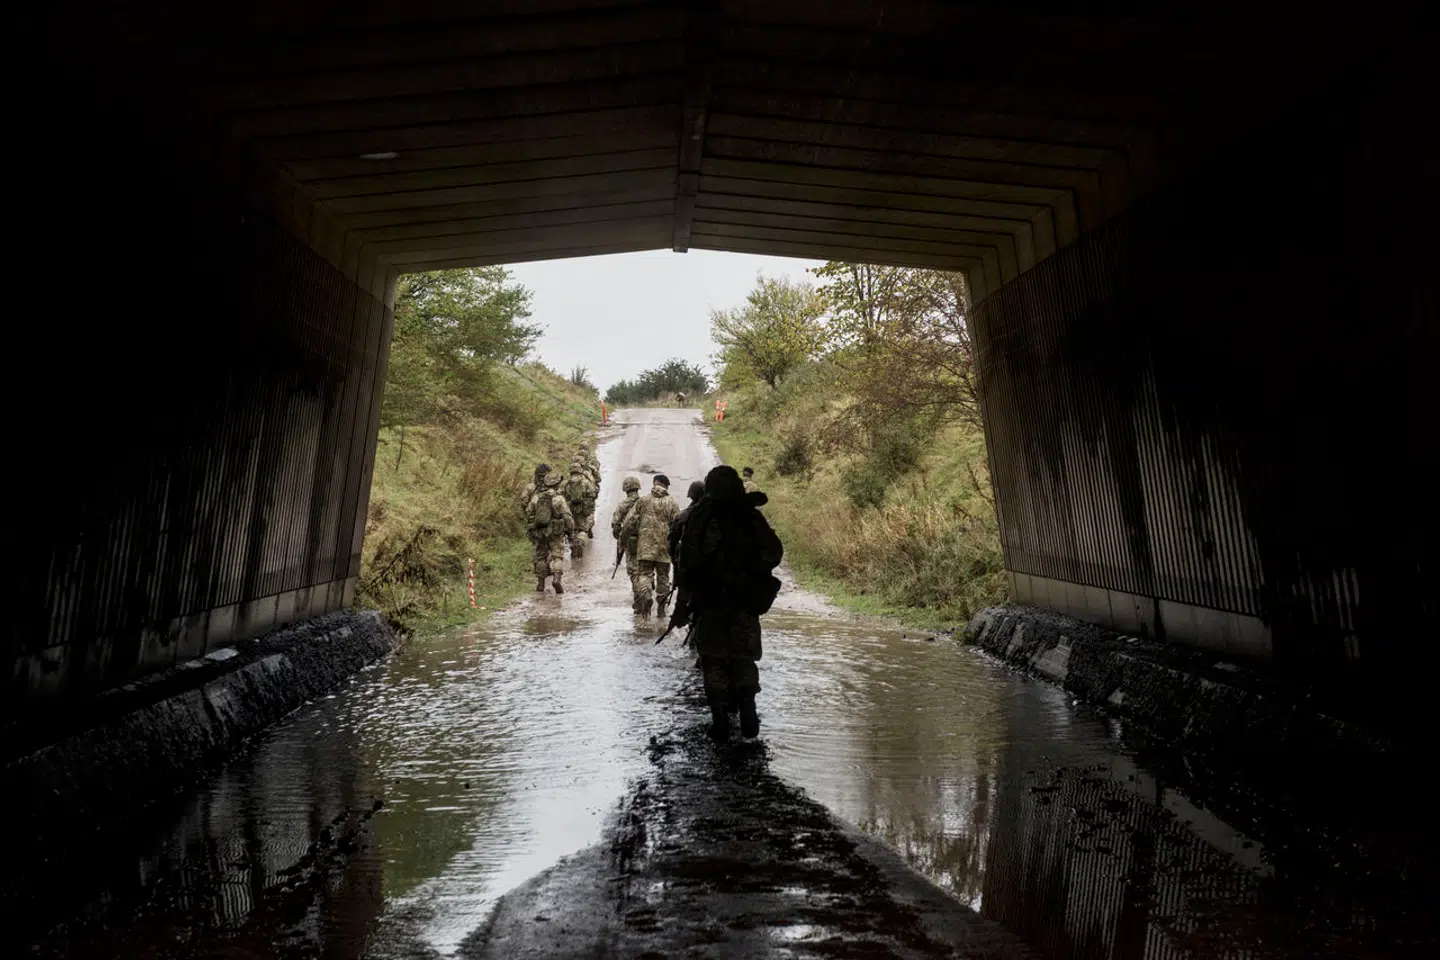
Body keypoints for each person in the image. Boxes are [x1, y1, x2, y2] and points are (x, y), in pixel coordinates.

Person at [670, 465, 782, 741]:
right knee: (744, 656)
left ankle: (720, 719)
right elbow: (774, 553)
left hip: (710, 603)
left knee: (714, 661)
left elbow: (686, 566)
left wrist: (681, 607)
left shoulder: (700, 519)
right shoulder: (750, 516)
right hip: (744, 603)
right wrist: (754, 573)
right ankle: (748, 710)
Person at [620, 474, 679, 618]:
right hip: (664, 548)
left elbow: (629, 522)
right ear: (665, 486)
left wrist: (623, 540)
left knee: (644, 575)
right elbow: (677, 525)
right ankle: (661, 606)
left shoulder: (643, 501)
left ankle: (646, 594)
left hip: (645, 547)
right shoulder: (671, 502)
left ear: (654, 484)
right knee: (663, 577)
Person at [668, 479, 708, 635]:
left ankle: (685, 619)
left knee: (684, 598)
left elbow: (672, 541)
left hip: (690, 568)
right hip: (707, 570)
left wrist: (676, 562)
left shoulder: (686, 514)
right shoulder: (719, 513)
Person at [527, 471, 574, 593]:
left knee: (541, 556)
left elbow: (529, 513)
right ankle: (556, 579)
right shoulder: (559, 499)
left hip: (540, 532)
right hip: (556, 532)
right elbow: (567, 516)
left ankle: (541, 584)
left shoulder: (536, 498)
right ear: (557, 484)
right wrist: (571, 530)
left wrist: (534, 527)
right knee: (557, 556)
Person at [611, 475, 643, 586]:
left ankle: (639, 591)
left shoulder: (622, 505)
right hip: (646, 537)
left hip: (630, 539)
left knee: (633, 567)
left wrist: (619, 538)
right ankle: (648, 581)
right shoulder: (644, 502)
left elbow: (616, 524)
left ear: (625, 489)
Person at [563, 462, 597, 558]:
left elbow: (560, 494)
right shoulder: (585, 481)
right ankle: (580, 541)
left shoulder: (566, 482)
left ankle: (573, 542)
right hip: (583, 509)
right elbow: (593, 493)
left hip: (570, 509)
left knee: (571, 529)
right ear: (579, 470)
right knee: (583, 529)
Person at [519, 463, 551, 531]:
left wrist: (527, 512)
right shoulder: (553, 486)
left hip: (533, 519)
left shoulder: (530, 486)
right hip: (549, 519)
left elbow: (523, 501)